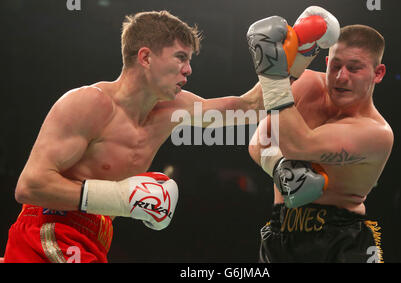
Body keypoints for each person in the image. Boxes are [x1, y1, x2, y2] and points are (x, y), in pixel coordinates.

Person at [4, 10, 263, 263]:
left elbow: (250, 107)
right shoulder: (89, 103)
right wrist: (121, 198)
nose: (188, 70)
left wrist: (289, 54)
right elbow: (30, 186)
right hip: (51, 231)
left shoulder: (174, 110)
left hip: (95, 237)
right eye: (180, 57)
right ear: (146, 57)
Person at [247, 6, 393, 262]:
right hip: (280, 234)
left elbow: (299, 144)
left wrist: (273, 75)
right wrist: (277, 165)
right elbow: (258, 139)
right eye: (335, 65)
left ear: (378, 73)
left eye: (354, 68)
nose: (341, 76)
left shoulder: (376, 132)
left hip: (342, 241)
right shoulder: (307, 85)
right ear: (326, 62)